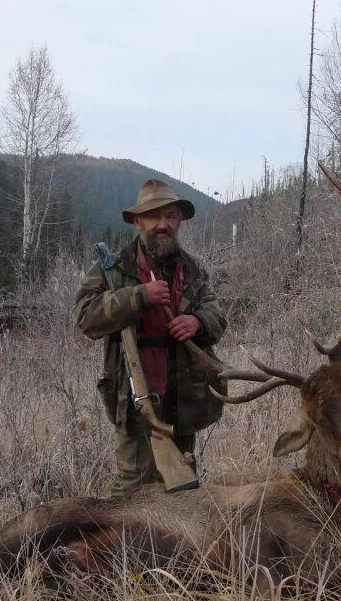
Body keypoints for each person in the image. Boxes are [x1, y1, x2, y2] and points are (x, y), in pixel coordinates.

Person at [75, 179, 227, 496]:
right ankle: (120, 547)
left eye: (170, 216)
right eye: (154, 217)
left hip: (184, 396)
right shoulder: (112, 270)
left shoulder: (193, 270)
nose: (163, 224)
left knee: (182, 485)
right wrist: (138, 297)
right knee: (132, 490)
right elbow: (86, 319)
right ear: (137, 221)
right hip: (134, 399)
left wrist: (198, 322)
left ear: (179, 221)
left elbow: (217, 314)